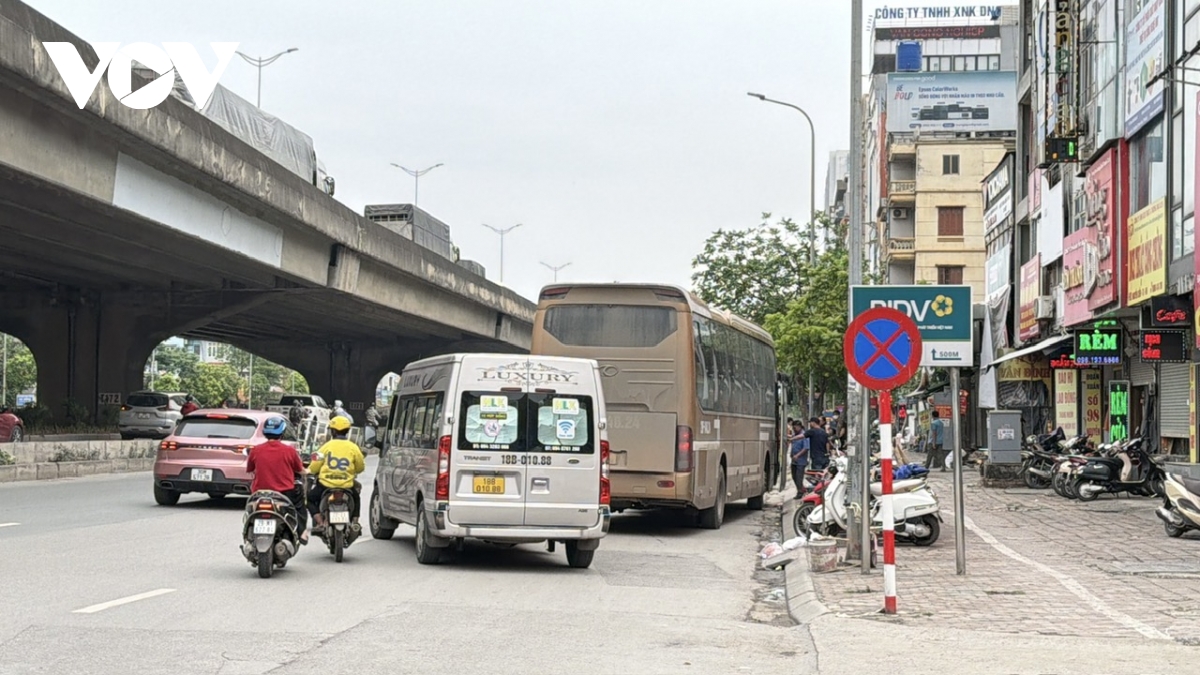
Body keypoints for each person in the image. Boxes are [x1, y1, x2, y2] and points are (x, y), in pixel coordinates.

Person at [245, 416, 309, 543]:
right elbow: (299, 469)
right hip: (285, 493)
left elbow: (250, 469)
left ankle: (248, 535)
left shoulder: (256, 450)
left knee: (249, 511)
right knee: (299, 504)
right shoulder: (289, 451)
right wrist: (307, 471)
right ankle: (302, 532)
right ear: (282, 432)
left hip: (259, 493)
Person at [308, 416, 367, 534]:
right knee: (356, 498)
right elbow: (360, 467)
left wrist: (311, 470)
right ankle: (355, 522)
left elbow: (314, 467)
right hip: (347, 485)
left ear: (333, 431)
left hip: (325, 485)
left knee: (309, 499)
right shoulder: (353, 448)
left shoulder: (325, 447)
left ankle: (320, 522)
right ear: (347, 431)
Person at [787, 420, 809, 496]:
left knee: (799, 477)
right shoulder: (795, 435)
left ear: (799, 427)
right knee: (794, 477)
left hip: (801, 461)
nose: (794, 429)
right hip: (794, 460)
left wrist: (797, 455)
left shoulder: (804, 435)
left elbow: (806, 448)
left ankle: (800, 492)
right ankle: (801, 489)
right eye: (793, 428)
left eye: (795, 428)